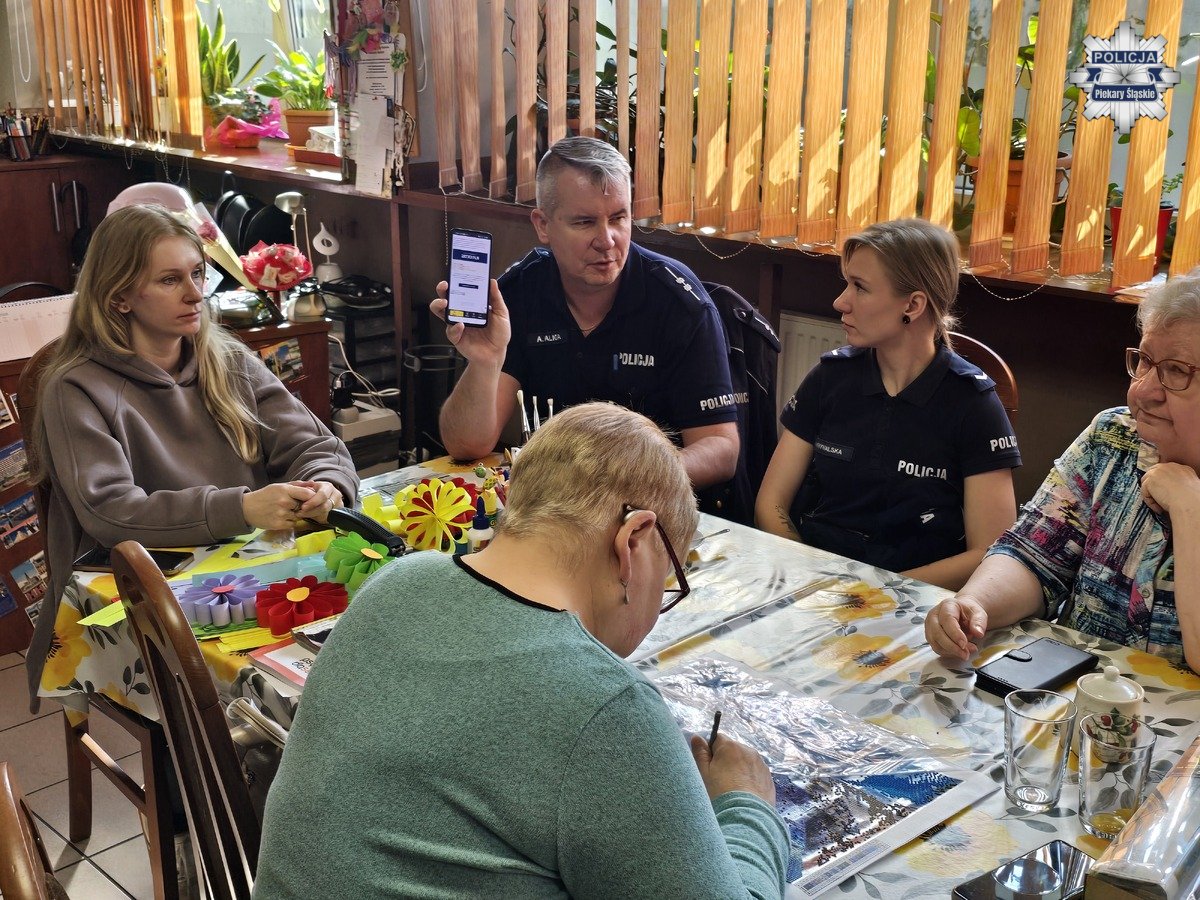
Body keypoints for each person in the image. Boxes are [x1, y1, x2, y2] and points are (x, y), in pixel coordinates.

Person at [254, 403, 789, 899]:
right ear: (633, 540)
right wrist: (747, 806)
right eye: (666, 581)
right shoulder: (606, 706)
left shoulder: (396, 583)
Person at [25, 204, 357, 701]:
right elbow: (111, 512)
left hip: (246, 577)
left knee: (346, 661)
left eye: (198, 273)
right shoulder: (75, 387)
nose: (195, 293)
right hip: (133, 601)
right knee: (296, 693)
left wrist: (327, 485)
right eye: (169, 280)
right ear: (119, 296)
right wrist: (242, 508)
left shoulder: (227, 359)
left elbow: (315, 445)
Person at [926, 273, 1200, 672]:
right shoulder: (1113, 438)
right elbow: (1034, 554)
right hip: (1072, 693)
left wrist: (1190, 510)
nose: (1142, 392)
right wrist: (974, 603)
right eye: (1144, 361)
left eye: (1176, 371)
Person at [431, 136, 740, 488]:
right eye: (584, 222)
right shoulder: (520, 292)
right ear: (543, 225)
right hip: (559, 501)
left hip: (655, 500)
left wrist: (617, 481)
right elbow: (466, 446)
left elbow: (721, 450)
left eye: (619, 218)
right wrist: (484, 363)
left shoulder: (678, 303)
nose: (607, 240)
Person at [754, 218, 1020, 590]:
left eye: (860, 287)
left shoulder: (973, 405)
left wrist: (875, 593)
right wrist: (808, 579)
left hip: (909, 597)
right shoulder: (829, 378)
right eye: (846, 283)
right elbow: (771, 503)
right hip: (812, 580)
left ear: (913, 304)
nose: (840, 302)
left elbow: (990, 552)